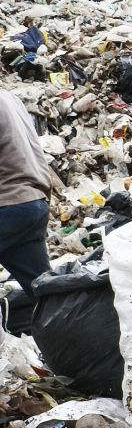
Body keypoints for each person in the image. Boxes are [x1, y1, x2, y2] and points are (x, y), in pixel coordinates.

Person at [0, 88, 53, 296]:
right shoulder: (10, 97)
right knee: (45, 294)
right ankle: (75, 327)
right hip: (33, 203)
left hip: (7, 204)